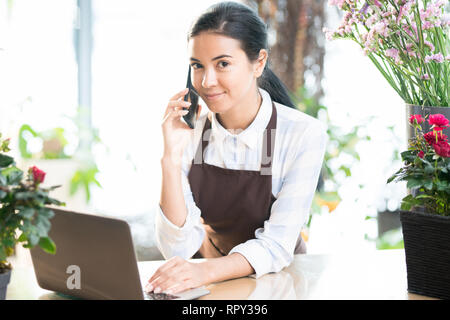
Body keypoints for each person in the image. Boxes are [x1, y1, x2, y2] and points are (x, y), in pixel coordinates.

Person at [146, 1, 327, 295]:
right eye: (197, 66)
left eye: (223, 64)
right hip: (209, 289)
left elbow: (277, 244)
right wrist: (170, 157)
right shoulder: (188, 133)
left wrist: (204, 270)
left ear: (259, 62)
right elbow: (176, 246)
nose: (206, 81)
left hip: (277, 285)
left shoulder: (302, 134)